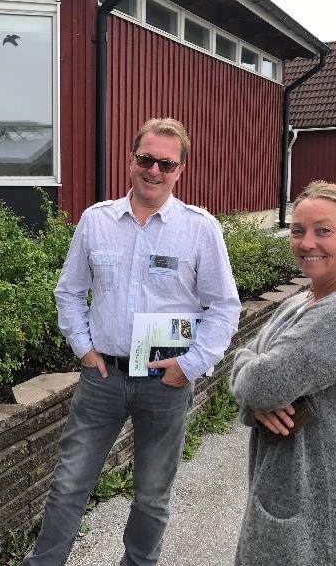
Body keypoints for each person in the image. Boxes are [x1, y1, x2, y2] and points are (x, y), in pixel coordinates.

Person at [24, 118, 241, 566]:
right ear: (131, 160)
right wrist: (83, 348)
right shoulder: (96, 220)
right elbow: (69, 291)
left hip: (166, 383)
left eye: (166, 163)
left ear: (180, 170)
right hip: (103, 378)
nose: (154, 171)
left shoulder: (200, 229)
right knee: (68, 485)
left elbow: (224, 306)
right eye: (146, 159)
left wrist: (193, 364)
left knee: (151, 496)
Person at [229, 180, 336, 566]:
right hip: (297, 504)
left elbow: (257, 380)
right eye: (298, 230)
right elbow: (247, 367)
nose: (307, 242)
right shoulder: (306, 300)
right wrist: (253, 404)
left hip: (323, 523)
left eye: (323, 230)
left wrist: (254, 389)